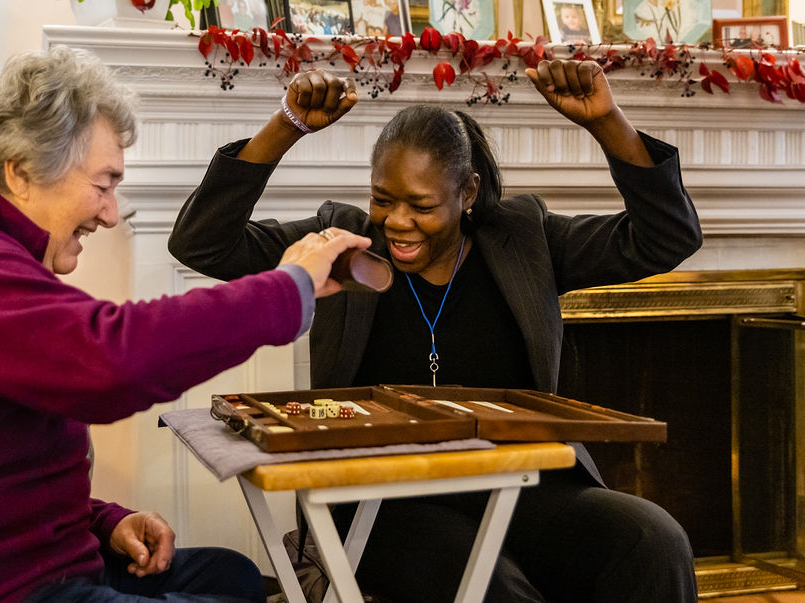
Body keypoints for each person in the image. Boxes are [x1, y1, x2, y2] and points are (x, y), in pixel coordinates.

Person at [0, 47, 372, 602]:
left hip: (13, 567)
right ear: (20, 172)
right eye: (103, 185)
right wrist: (288, 286)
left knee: (234, 576)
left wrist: (100, 522)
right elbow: (108, 359)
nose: (112, 213)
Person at [168, 59, 702, 602]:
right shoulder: (343, 246)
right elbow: (202, 244)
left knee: (652, 540)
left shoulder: (527, 240)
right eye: (383, 199)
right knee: (491, 587)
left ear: (467, 194)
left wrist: (606, 121)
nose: (397, 222)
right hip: (387, 503)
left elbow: (666, 238)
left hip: (520, 484)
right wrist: (285, 126)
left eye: (420, 205)